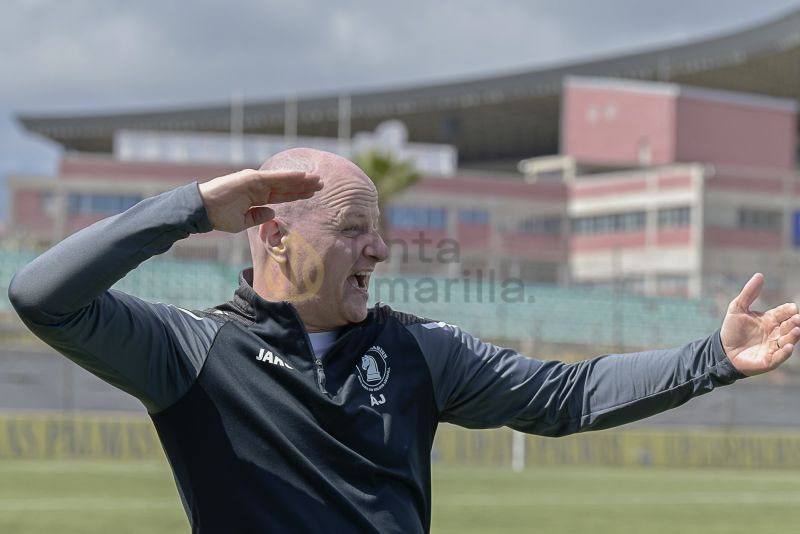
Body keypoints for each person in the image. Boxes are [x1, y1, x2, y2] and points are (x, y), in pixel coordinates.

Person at [8, 148, 800, 533]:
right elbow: (42, 296)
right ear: (276, 237)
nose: (381, 252)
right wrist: (188, 206)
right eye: (355, 231)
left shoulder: (421, 350)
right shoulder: (189, 352)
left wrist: (714, 358)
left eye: (380, 232)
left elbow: (568, 396)